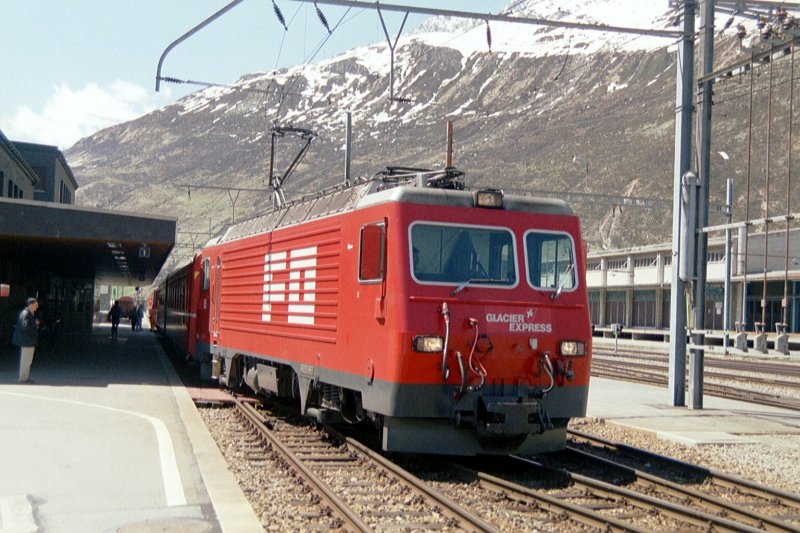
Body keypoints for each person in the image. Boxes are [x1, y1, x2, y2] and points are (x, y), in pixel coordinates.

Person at [12, 297, 39, 383]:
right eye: (36, 304)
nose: (37, 306)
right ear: (31, 305)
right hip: (26, 341)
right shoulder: (26, 314)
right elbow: (25, 327)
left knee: (28, 361)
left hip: (29, 341)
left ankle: (25, 377)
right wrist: (35, 324)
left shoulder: (29, 313)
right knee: (25, 360)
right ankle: (23, 378)